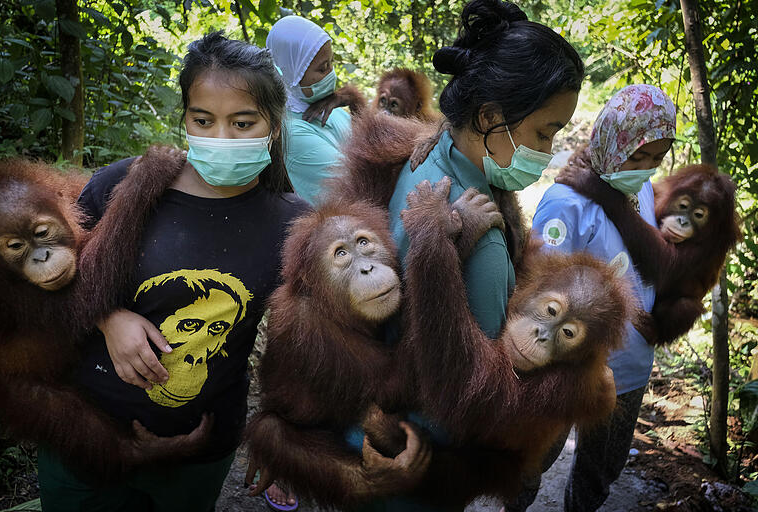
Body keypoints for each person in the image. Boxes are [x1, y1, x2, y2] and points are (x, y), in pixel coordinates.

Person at [36, 33, 309, 512]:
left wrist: (285, 436)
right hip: (84, 436)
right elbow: (42, 278)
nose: (220, 138)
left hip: (199, 449)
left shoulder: (292, 223)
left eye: (243, 123)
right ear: (184, 117)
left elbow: (302, 348)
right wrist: (108, 317)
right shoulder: (120, 185)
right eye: (203, 120)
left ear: (273, 124)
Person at [360, 1, 584, 510]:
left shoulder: (430, 163)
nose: (549, 150)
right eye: (545, 132)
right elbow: (470, 392)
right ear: (489, 117)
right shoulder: (471, 230)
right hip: (420, 457)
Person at [513, 84, 676, 512]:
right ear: (611, 139)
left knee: (601, 468)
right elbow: (541, 284)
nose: (644, 168)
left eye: (655, 159)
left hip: (628, 366)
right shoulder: (566, 204)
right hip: (568, 365)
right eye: (637, 156)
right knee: (533, 458)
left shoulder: (638, 191)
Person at [266, 15, 365, 205]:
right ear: (290, 72)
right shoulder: (292, 133)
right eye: (322, 68)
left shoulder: (328, 106)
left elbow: (372, 144)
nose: (331, 74)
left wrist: (355, 102)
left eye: (331, 63)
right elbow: (360, 189)